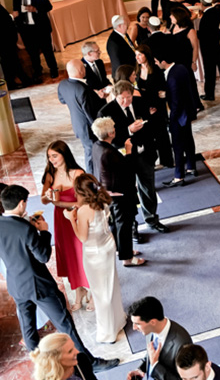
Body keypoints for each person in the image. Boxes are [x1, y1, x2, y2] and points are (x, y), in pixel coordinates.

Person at [0, 185, 117, 372]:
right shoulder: (25, 229)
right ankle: (90, 363)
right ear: (22, 203)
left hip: (16, 285)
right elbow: (43, 256)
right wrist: (44, 232)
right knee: (65, 324)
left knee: (28, 327)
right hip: (39, 285)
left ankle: (40, 364)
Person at [98, 81, 169, 239]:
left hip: (145, 154)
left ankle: (151, 219)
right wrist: (129, 130)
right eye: (121, 98)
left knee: (148, 189)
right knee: (128, 196)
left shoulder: (141, 102)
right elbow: (109, 139)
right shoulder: (106, 112)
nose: (125, 101)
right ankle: (132, 228)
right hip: (123, 159)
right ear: (114, 96)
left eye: (128, 97)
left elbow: (153, 125)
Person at [65, 173, 126, 343]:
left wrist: (71, 220)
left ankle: (108, 332)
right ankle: (118, 319)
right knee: (111, 284)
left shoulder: (85, 210)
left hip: (95, 253)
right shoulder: (102, 200)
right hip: (107, 245)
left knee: (100, 291)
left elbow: (83, 237)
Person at [40, 141, 90, 311]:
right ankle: (79, 291)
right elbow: (43, 200)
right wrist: (48, 196)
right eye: (49, 156)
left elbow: (82, 201)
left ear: (64, 154)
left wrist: (59, 202)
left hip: (75, 218)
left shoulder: (77, 173)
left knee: (82, 254)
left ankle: (92, 292)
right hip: (61, 221)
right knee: (70, 257)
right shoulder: (50, 174)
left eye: (55, 155)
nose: (51, 159)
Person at [91, 117, 145, 266]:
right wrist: (128, 152)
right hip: (119, 194)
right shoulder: (109, 152)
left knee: (115, 223)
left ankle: (121, 249)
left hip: (107, 194)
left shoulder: (97, 145)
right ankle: (127, 258)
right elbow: (127, 170)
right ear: (111, 133)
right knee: (124, 225)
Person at [153, 46, 198, 187]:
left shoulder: (171, 77)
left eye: (156, 61)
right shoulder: (181, 68)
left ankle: (179, 176)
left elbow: (176, 101)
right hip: (188, 111)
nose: (155, 63)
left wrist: (171, 116)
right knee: (189, 140)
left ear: (163, 61)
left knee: (178, 146)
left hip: (179, 116)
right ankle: (191, 166)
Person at [126, 296, 193, 380]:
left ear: (152, 322)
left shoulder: (182, 345)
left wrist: (155, 365)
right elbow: (151, 353)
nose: (134, 328)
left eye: (137, 324)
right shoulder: (150, 329)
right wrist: (141, 369)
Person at [57, 60, 105, 175]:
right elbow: (90, 113)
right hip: (88, 128)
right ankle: (91, 177)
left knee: (90, 151)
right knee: (91, 153)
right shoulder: (83, 90)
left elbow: (62, 100)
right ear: (81, 71)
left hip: (78, 124)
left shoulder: (63, 84)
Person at [135, 44, 174, 168]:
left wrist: (155, 102)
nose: (137, 57)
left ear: (146, 55)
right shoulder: (137, 71)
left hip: (157, 106)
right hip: (145, 107)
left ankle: (167, 160)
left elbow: (161, 89)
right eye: (136, 55)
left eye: (140, 54)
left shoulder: (156, 70)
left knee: (162, 134)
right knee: (150, 135)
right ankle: (152, 161)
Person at [29, 332, 99, 380]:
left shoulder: (81, 359)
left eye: (74, 347)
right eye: (70, 351)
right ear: (56, 360)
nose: (77, 352)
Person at [198, 0, 220, 101]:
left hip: (209, 50)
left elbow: (203, 35)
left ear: (201, 4)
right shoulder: (218, 12)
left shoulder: (205, 17)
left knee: (210, 73)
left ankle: (209, 94)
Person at [169, 6, 199, 75]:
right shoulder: (173, 26)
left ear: (178, 16)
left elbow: (195, 47)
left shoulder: (190, 30)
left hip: (185, 60)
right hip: (174, 59)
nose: (170, 17)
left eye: (172, 15)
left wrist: (193, 62)